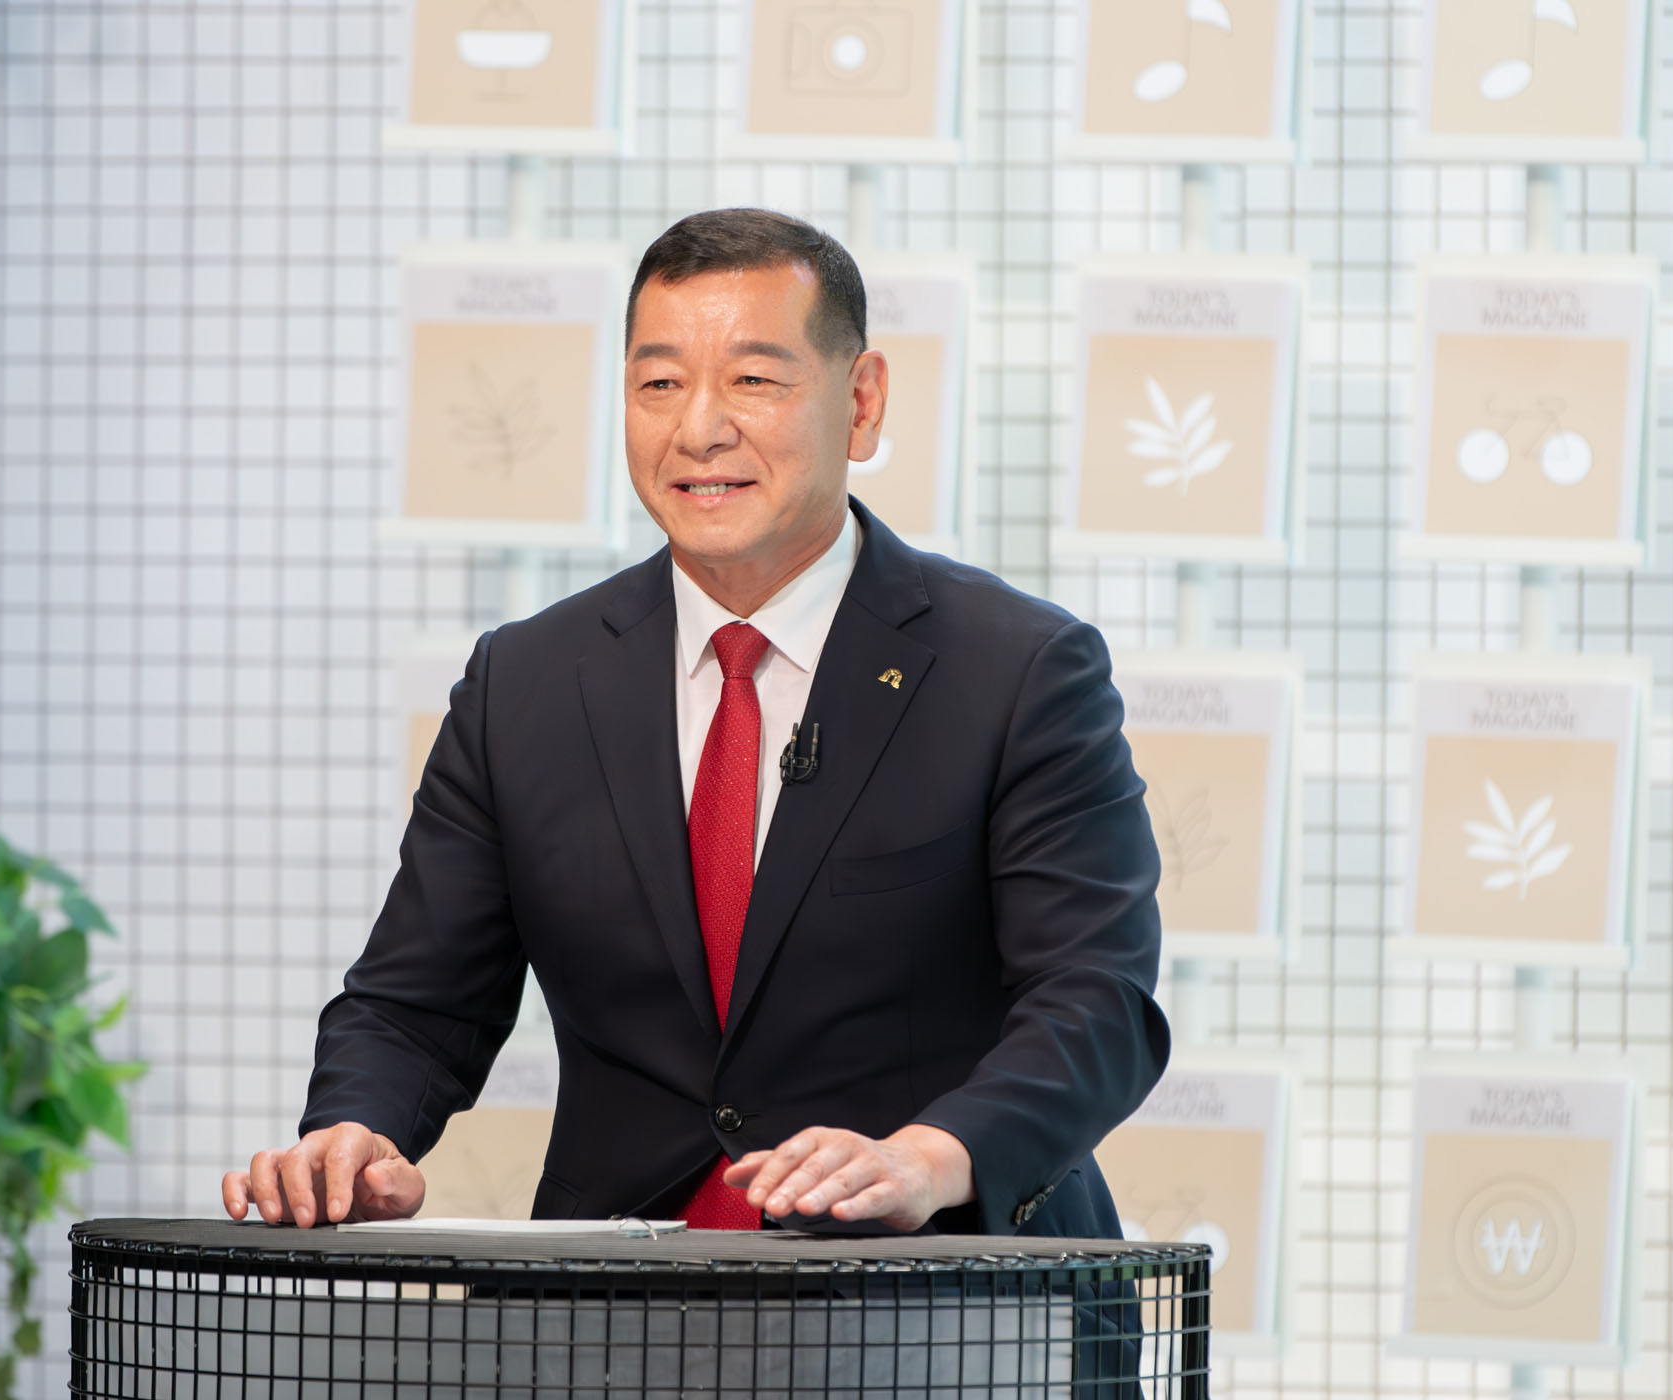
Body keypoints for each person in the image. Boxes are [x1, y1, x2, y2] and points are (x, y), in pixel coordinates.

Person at [222, 207, 1168, 1242]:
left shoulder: (1019, 670)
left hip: (939, 1288)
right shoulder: (525, 683)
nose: (699, 428)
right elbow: (414, 1003)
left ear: (861, 403)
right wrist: (354, 1133)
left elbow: (1097, 1003)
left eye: (754, 379)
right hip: (623, 1299)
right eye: (659, 384)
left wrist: (927, 1157)